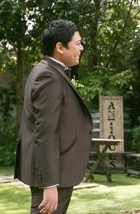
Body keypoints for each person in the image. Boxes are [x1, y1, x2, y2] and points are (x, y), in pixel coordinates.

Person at [14, 20, 92, 214]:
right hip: (53, 176)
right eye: (77, 43)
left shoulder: (47, 70)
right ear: (60, 47)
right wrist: (49, 184)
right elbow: (45, 133)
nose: (81, 48)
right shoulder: (48, 76)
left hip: (57, 172)